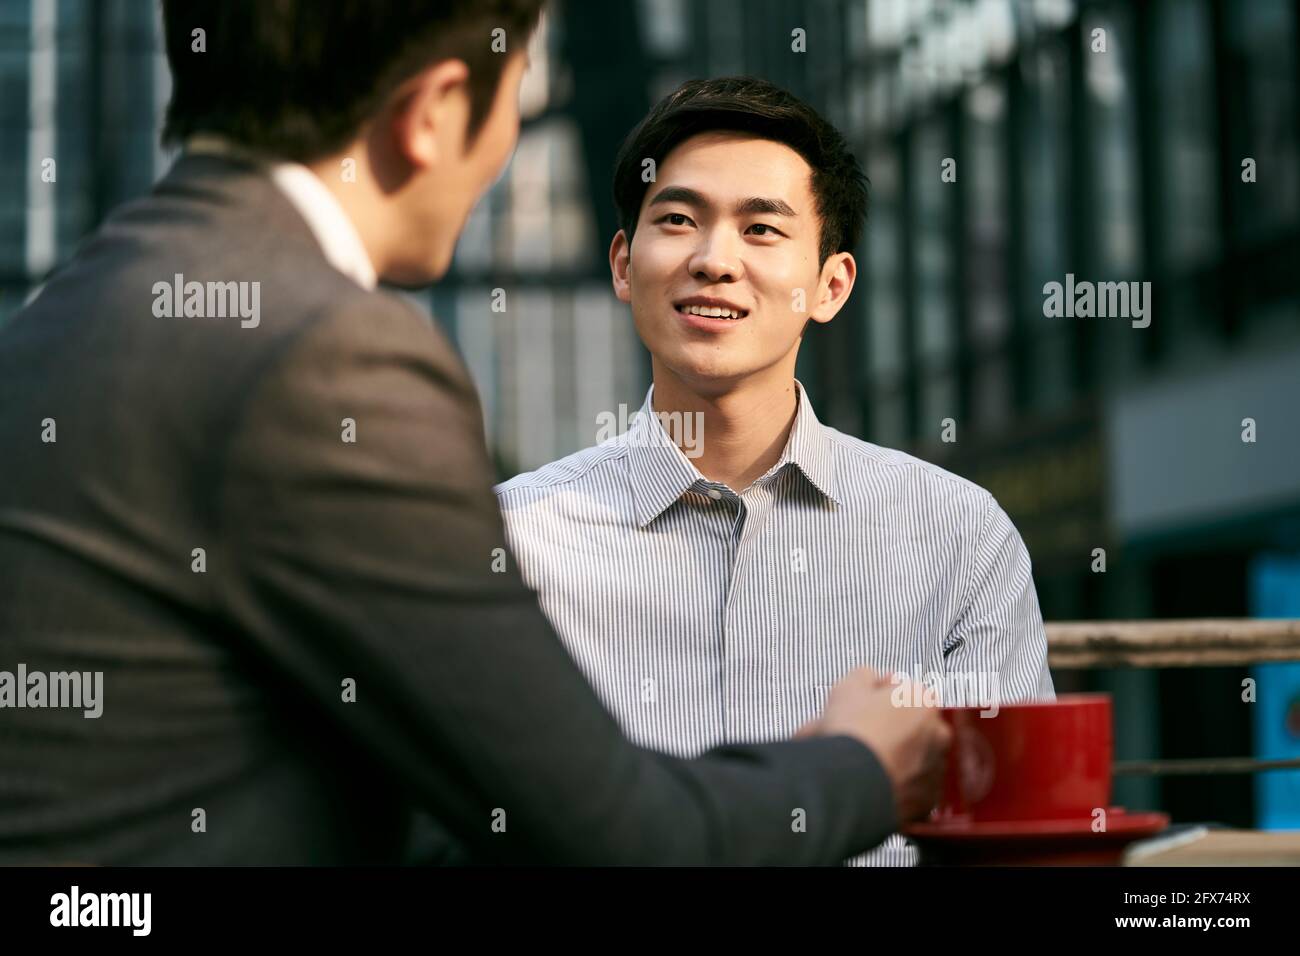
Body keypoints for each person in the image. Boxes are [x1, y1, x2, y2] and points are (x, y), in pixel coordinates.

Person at [0, 1, 949, 864]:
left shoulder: (64, 316)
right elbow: (626, 844)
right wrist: (860, 765)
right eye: (512, 97)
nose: (502, 148)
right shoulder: (328, 355)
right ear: (436, 112)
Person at [495, 77, 1054, 866]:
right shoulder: (510, 541)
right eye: (678, 219)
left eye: (762, 229)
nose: (714, 260)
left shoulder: (958, 536)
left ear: (830, 286)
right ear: (624, 265)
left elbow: (1014, 835)